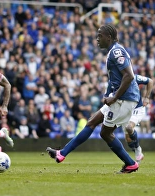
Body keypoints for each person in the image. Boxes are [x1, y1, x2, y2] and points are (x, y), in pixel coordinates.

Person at [47, 24, 141, 173]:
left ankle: (130, 163)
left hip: (123, 99)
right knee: (92, 122)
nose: (97, 39)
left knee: (105, 133)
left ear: (108, 37)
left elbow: (129, 76)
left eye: (100, 36)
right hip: (121, 98)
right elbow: (115, 78)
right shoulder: (113, 52)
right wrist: (108, 93)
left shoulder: (116, 51)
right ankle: (62, 153)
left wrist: (115, 97)